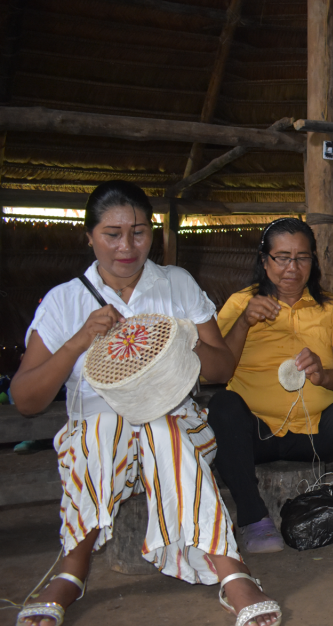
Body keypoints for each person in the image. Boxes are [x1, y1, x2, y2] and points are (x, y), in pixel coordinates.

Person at [11, 181, 281, 626]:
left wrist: (181, 340)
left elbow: (220, 371)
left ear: (152, 234)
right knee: (103, 429)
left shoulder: (175, 284)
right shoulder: (66, 300)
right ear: (89, 236)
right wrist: (81, 340)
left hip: (177, 426)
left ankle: (231, 573)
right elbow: (25, 399)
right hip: (98, 438)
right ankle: (72, 568)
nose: (126, 246)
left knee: (161, 423)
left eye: (138, 232)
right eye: (111, 234)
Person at [207, 218, 333, 553]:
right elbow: (216, 372)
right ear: (265, 261)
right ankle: (253, 519)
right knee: (223, 405)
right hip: (257, 432)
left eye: (302, 257)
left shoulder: (331, 308)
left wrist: (324, 375)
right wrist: (245, 321)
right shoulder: (239, 304)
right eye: (282, 257)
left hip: (317, 432)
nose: (292, 267)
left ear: (313, 262)